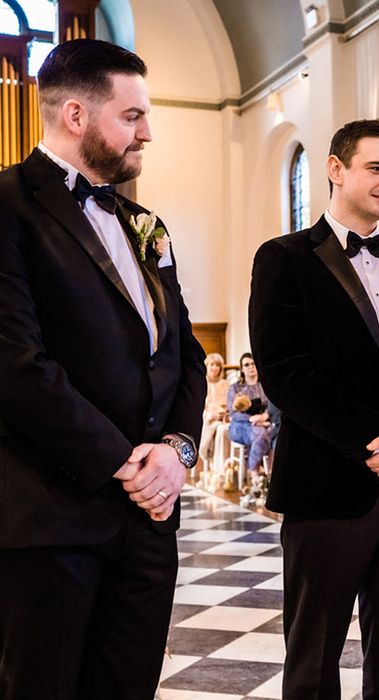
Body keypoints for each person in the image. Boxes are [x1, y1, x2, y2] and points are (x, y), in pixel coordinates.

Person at [0, 39, 206, 699]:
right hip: (50, 516)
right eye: (132, 116)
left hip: (147, 521)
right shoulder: (7, 206)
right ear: (76, 117)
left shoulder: (146, 224)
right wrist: (128, 463)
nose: (148, 132)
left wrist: (176, 450)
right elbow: (14, 364)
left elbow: (187, 356)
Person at [249, 118, 379, 699]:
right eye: (376, 168)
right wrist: (378, 439)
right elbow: (285, 374)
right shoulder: (285, 258)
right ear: (336, 170)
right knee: (314, 656)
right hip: (328, 483)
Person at [227, 352, 272, 473]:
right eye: (246, 365)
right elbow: (233, 413)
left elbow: (272, 406)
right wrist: (251, 419)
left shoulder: (265, 386)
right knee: (261, 434)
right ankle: (254, 472)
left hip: (264, 422)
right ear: (242, 369)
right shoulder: (235, 388)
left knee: (274, 433)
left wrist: (263, 417)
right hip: (240, 425)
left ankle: (268, 472)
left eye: (253, 363)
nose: (251, 367)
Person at [199, 352, 229, 469]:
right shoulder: (201, 384)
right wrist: (209, 415)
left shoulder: (226, 384)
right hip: (208, 419)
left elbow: (230, 405)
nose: (214, 368)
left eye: (217, 365)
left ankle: (222, 466)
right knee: (218, 428)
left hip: (224, 418)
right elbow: (199, 408)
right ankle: (217, 466)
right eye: (211, 364)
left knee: (224, 429)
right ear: (206, 366)